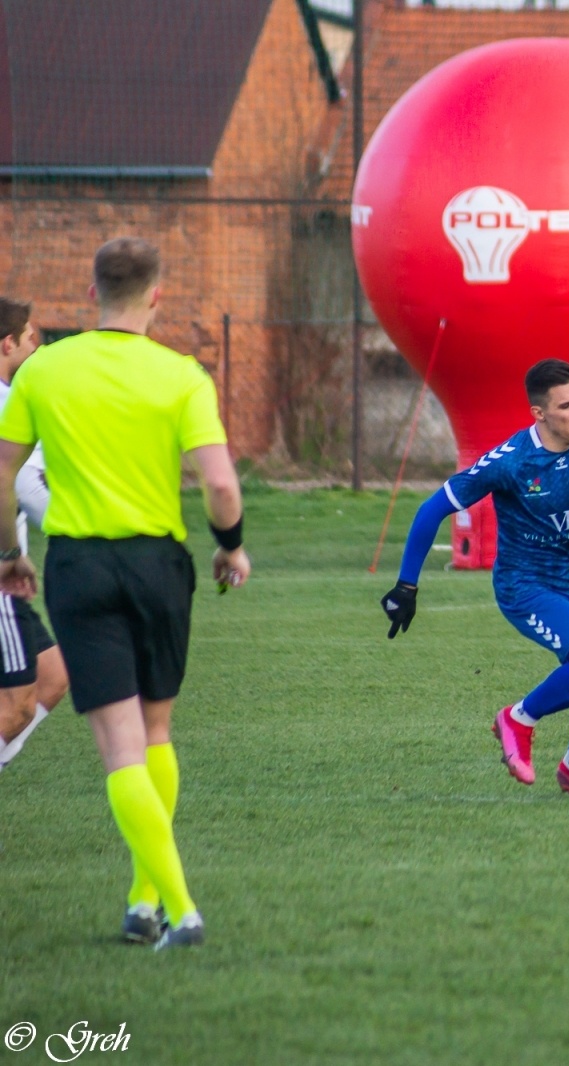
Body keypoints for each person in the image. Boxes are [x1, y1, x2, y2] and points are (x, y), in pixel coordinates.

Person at [0, 237, 252, 950]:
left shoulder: (44, 368)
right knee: (157, 730)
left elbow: (4, 471)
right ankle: (150, 903)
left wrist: (11, 555)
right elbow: (222, 484)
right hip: (160, 566)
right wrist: (231, 547)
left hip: (80, 566)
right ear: (157, 297)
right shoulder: (181, 375)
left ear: (90, 297)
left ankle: (173, 904)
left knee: (119, 743)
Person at [382, 359, 569, 802]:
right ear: (539, 414)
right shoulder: (511, 462)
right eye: (566, 406)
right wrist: (407, 584)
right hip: (524, 587)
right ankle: (517, 718)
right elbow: (433, 508)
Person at [0, 298, 69, 773]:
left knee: (55, 674)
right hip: (3, 575)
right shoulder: (11, 404)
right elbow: (25, 484)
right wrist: (85, 530)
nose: (37, 345)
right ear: (8, 343)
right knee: (16, 707)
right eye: (30, 337)